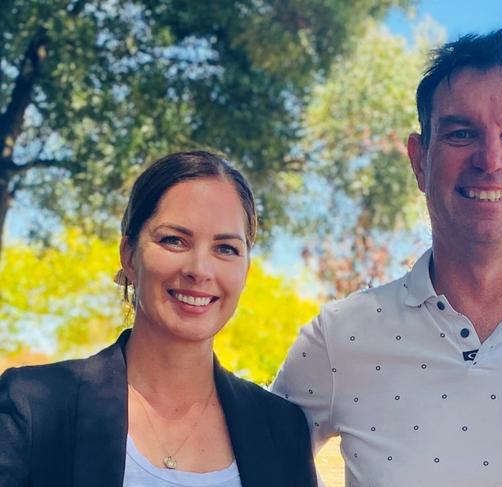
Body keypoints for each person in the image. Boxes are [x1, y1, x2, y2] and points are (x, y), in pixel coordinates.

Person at [272, 17, 502, 486]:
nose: (490, 160)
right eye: (460, 133)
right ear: (419, 159)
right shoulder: (338, 340)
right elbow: (239, 461)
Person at [0, 150, 317, 487]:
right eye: (174, 240)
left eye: (225, 248)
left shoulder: (282, 430)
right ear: (129, 256)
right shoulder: (34, 406)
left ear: (245, 270)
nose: (200, 270)